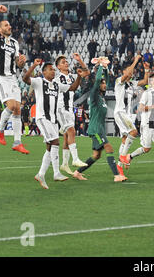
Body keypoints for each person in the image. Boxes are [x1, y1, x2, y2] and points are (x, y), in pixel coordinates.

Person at [22, 59, 89, 189]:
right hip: (43, 118)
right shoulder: (40, 82)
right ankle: (56, 172)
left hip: (53, 120)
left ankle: (41, 174)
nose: (53, 71)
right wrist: (34, 65)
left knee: (49, 146)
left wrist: (79, 77)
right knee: (55, 142)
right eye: (50, 69)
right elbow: (25, 79)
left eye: (53, 69)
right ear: (44, 72)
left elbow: (73, 88)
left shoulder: (57, 85)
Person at [0, 5, 29, 154]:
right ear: (0, 28)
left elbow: (18, 64)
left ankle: (17, 142)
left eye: (9, 25)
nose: (10, 26)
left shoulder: (14, 43)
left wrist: (22, 61)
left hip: (12, 77)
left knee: (17, 109)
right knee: (11, 104)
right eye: (6, 25)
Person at [73, 57, 127, 182]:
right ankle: (117, 175)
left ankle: (77, 172)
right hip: (96, 129)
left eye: (104, 83)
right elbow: (98, 79)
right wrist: (101, 66)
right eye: (101, 83)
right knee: (109, 148)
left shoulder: (101, 96)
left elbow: (107, 81)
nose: (104, 84)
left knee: (96, 155)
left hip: (99, 129)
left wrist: (106, 69)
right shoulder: (94, 94)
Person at [120, 74, 154, 178]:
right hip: (147, 124)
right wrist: (153, 106)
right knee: (147, 148)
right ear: (151, 81)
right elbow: (140, 108)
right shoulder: (147, 93)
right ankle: (129, 156)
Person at [114, 55, 150, 178]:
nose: (132, 72)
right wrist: (135, 61)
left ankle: (119, 168)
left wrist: (146, 69)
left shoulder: (131, 84)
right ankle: (124, 157)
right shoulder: (119, 81)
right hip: (120, 112)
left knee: (125, 139)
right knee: (133, 132)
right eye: (129, 70)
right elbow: (128, 73)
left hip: (128, 114)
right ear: (124, 71)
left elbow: (145, 82)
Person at [55, 53, 89, 175]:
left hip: (69, 108)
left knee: (67, 137)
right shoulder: (57, 79)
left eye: (66, 61)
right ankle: (75, 159)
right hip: (61, 108)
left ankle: (64, 164)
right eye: (63, 62)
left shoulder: (71, 76)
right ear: (58, 67)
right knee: (72, 131)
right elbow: (73, 87)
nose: (66, 63)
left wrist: (80, 60)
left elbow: (86, 73)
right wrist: (79, 77)